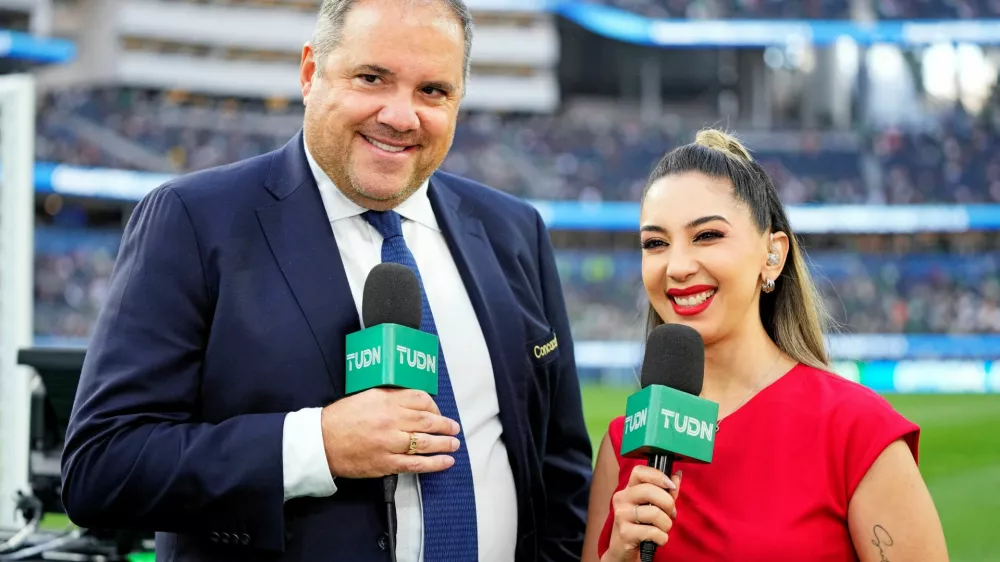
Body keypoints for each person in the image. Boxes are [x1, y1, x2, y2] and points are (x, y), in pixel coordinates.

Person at [59, 0, 593, 560]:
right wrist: (317, 445)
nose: (401, 115)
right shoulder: (194, 220)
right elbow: (102, 466)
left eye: (432, 91)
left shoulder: (514, 230)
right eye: (372, 78)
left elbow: (559, 469)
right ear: (311, 72)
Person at [581, 129, 949, 562]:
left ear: (772, 254)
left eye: (707, 236)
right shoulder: (625, 442)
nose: (677, 267)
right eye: (655, 244)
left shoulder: (857, 431)